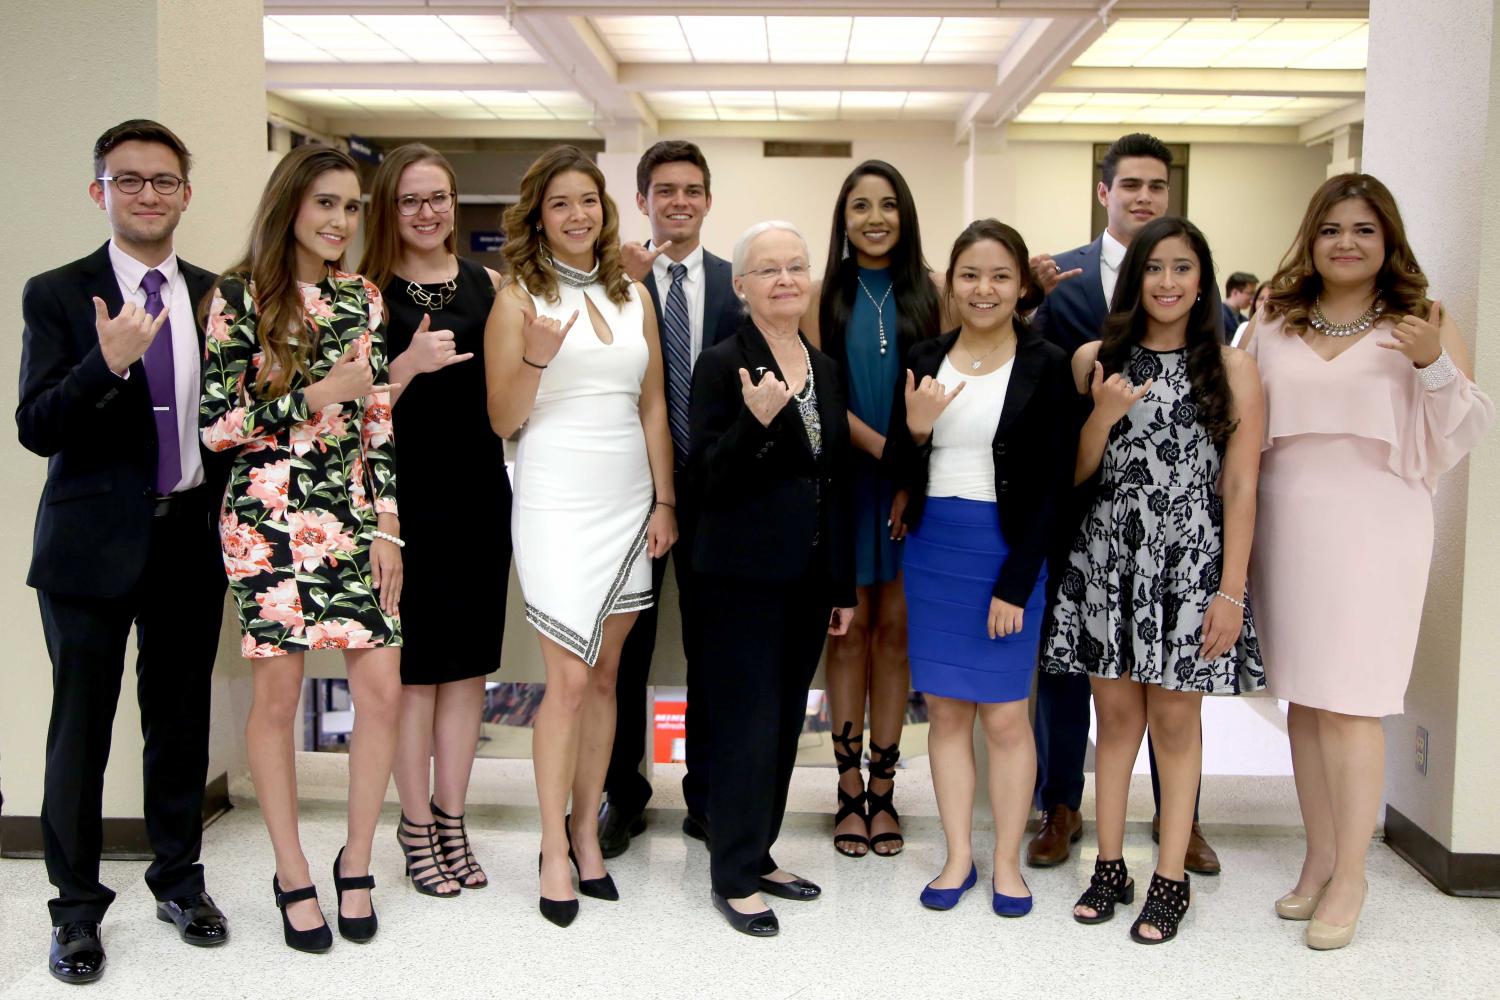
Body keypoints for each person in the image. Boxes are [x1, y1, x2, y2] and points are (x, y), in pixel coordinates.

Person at [1242, 174, 1492, 950]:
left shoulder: (1420, 321)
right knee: (1306, 702)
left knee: (1352, 702)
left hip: (1377, 522)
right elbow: (1241, 416)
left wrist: (1432, 365)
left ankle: (1353, 874)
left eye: (1364, 230)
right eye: (1331, 229)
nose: (1346, 243)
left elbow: (1463, 430)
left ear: (1388, 243)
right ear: (1310, 239)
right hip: (1287, 520)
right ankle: (1318, 858)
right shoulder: (1272, 321)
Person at [17, 119, 231, 985]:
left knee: (179, 726)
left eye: (164, 180)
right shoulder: (59, 292)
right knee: (81, 730)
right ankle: (74, 913)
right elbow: (36, 427)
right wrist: (102, 368)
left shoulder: (221, 295)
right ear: (99, 191)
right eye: (129, 180)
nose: (148, 194)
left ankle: (179, 881)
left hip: (188, 537)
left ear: (186, 192)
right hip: (87, 546)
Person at [200, 144, 404, 953]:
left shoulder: (363, 297)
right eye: (326, 203)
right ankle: (291, 872)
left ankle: (356, 861)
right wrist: (318, 395)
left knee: (382, 689)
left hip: (354, 514)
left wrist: (388, 524)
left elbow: (379, 416)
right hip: (267, 516)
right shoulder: (237, 295)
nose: (339, 221)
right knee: (278, 702)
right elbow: (218, 426)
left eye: (352, 207)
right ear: (290, 204)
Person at [1041, 216, 1265, 944]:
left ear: (1201, 280)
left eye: (1182, 268)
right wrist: (1101, 418)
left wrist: (1231, 590)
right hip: (1105, 562)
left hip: (1190, 567)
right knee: (1114, 724)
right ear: (1133, 277)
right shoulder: (1093, 358)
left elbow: (1241, 486)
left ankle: (1169, 878)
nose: (1167, 283)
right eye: (1154, 268)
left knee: (1174, 721)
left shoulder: (1233, 368)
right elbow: (1072, 476)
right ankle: (1110, 866)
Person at [485, 145, 677, 927]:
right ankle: (555, 850)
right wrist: (534, 357)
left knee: (606, 681)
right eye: (560, 203)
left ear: (605, 209)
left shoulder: (634, 292)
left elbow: (654, 404)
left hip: (629, 498)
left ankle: (589, 834)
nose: (577, 215)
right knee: (565, 681)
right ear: (538, 214)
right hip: (557, 500)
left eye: (588, 201)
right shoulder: (515, 297)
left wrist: (666, 501)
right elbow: (503, 419)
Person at [1025, 132, 1221, 875]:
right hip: (1094, 527)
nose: (1143, 196)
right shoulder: (1068, 285)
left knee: (1175, 703)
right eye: (1129, 184)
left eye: (1156, 186)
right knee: (1082, 686)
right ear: (1105, 192)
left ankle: (1180, 824)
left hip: (1183, 540)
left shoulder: (1212, 327)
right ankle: (1062, 805)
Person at [885, 220, 1076, 917]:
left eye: (999, 275)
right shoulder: (924, 354)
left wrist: (1016, 583)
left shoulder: (1046, 363)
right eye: (970, 274)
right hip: (936, 550)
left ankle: (1005, 863)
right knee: (945, 715)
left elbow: (1056, 487)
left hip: (1008, 553)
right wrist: (913, 429)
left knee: (1004, 717)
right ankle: (958, 855)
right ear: (951, 283)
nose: (984, 289)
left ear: (1021, 284)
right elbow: (898, 473)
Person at [690, 221, 856, 937]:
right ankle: (731, 874)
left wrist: (842, 585)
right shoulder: (722, 362)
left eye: (796, 266)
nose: (785, 278)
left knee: (787, 723)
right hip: (740, 577)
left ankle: (758, 853)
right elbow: (707, 481)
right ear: (742, 286)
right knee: (745, 727)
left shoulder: (823, 365)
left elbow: (837, 483)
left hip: (808, 577)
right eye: (768, 269)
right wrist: (755, 425)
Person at [357, 144, 507, 897]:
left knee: (467, 672)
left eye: (439, 196)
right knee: (416, 675)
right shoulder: (366, 295)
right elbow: (348, 410)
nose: (428, 212)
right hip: (402, 506)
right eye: (411, 199)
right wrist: (404, 367)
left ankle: (453, 816)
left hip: (480, 497)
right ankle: (414, 824)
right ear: (390, 208)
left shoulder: (491, 286)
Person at [600, 140, 742, 856]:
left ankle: (708, 795)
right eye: (665, 190)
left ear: (708, 200)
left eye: (692, 189)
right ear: (642, 201)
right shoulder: (613, 280)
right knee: (627, 648)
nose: (679, 201)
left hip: (717, 498)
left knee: (712, 649)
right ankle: (621, 791)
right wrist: (614, 286)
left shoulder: (735, 281)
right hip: (633, 494)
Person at [804, 160, 944, 858]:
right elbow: (822, 401)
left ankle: (885, 792)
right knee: (847, 633)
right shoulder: (820, 294)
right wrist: (890, 455)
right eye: (860, 206)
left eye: (888, 204)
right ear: (844, 218)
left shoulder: (935, 291)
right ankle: (846, 786)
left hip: (911, 487)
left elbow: (952, 389)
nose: (875, 218)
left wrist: (906, 474)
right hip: (844, 486)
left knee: (896, 634)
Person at [1232, 280, 1273, 348]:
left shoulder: (1285, 331)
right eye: (1261, 298)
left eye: (1271, 299)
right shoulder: (1244, 327)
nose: (1265, 303)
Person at [1221, 271, 1258, 342]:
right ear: (1235, 292)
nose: (1253, 298)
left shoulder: (1245, 320)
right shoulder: (1217, 316)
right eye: (1250, 293)